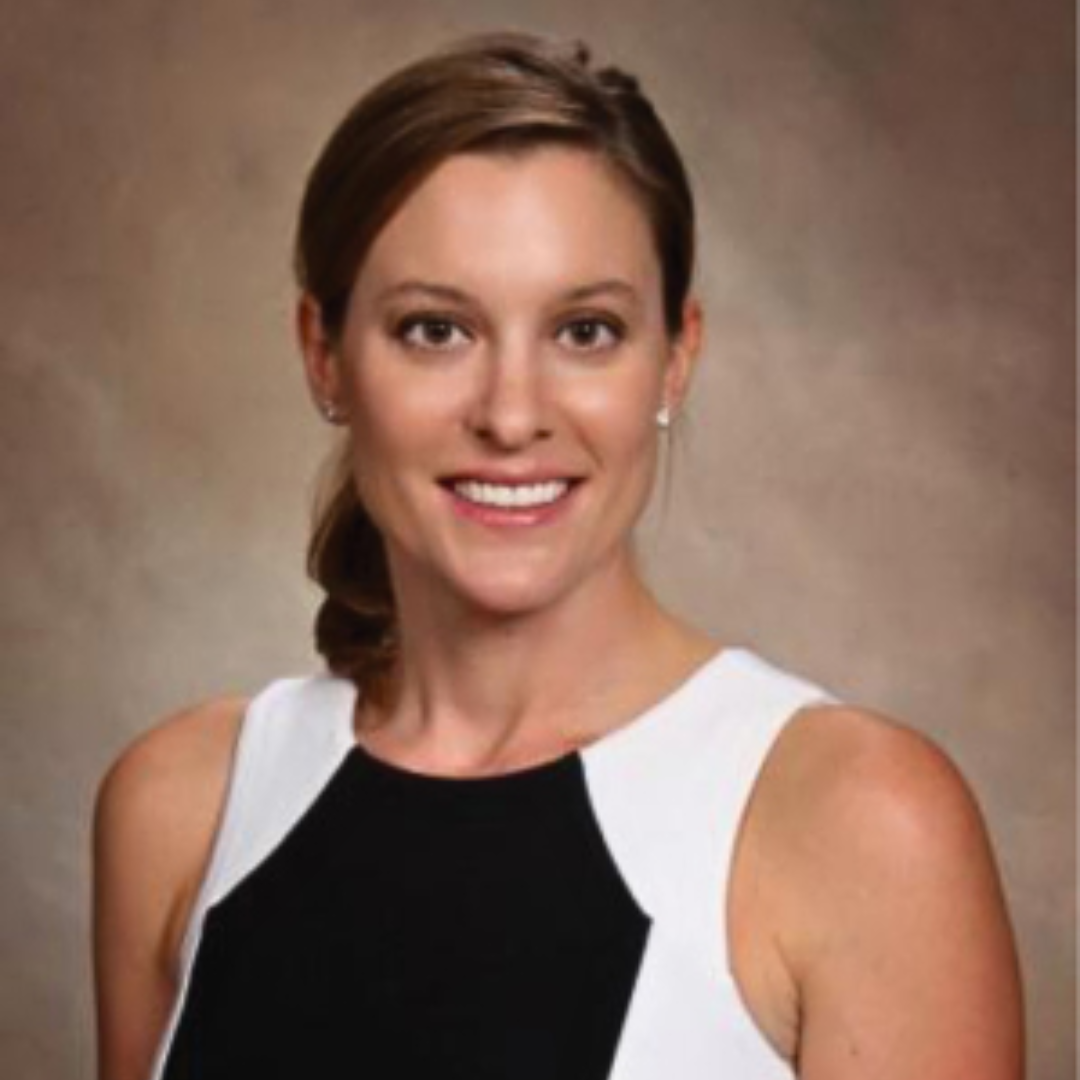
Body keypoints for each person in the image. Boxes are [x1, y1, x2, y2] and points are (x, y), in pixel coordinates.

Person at [92, 30, 1024, 1080]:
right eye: (436, 330)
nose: (512, 414)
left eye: (584, 331)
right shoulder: (180, 805)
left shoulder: (861, 825)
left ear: (675, 359)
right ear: (326, 356)